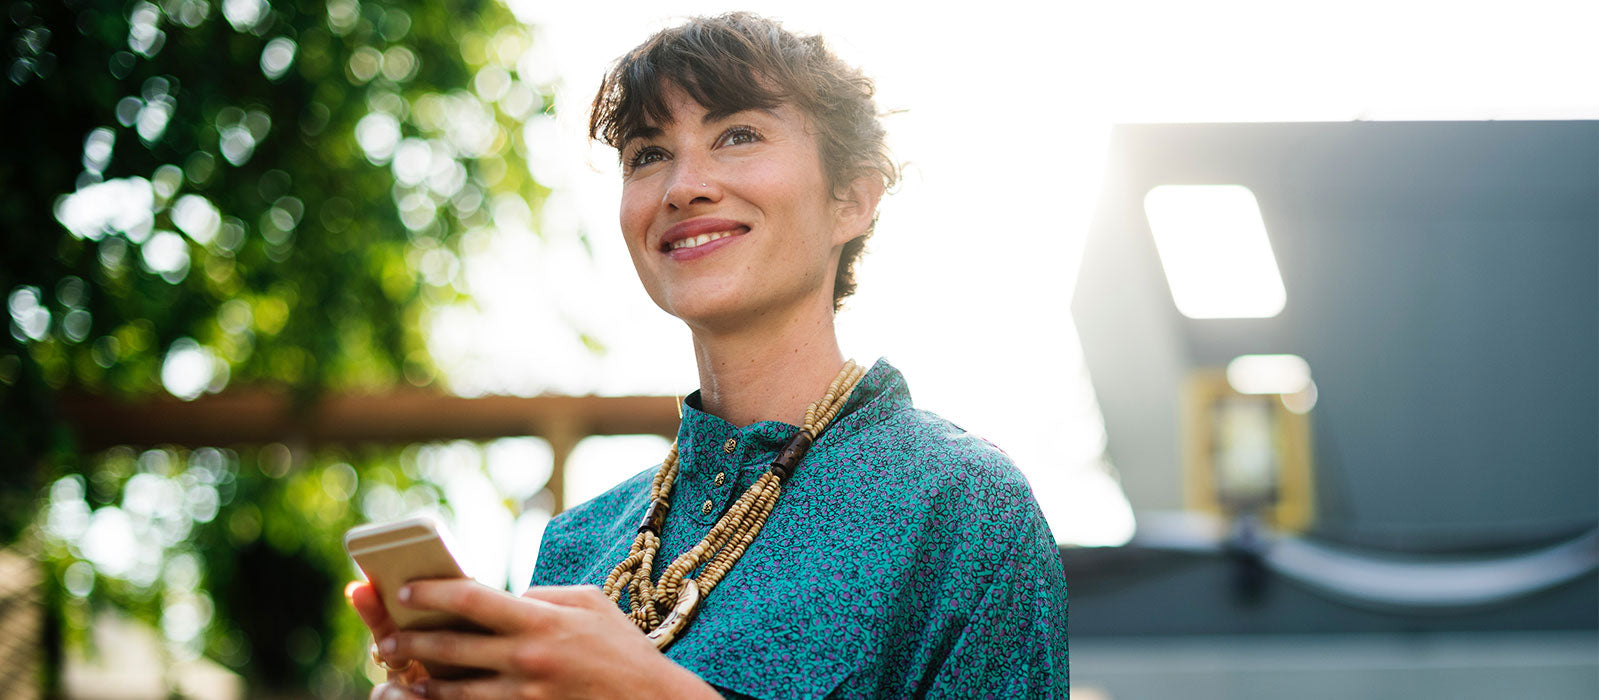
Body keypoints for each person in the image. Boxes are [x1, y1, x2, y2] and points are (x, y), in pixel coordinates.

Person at [348, 12, 1069, 699]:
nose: (683, 186)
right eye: (649, 155)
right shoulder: (577, 545)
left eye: (738, 135)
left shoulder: (961, 505)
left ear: (851, 199)